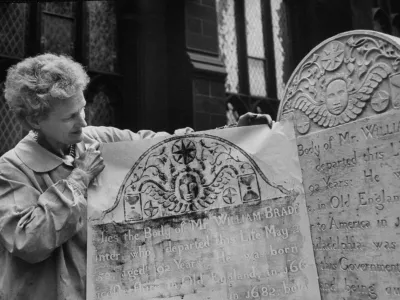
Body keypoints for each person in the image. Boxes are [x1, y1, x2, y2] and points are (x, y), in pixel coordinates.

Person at [0, 53, 272, 300]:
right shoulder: (12, 168)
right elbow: (28, 241)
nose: (83, 121)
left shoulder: (96, 139)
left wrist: (233, 135)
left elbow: (160, 149)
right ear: (36, 121)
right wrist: (79, 179)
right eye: (70, 116)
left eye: (82, 108)